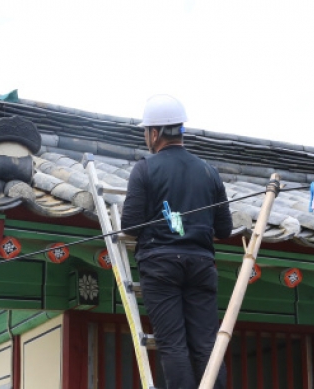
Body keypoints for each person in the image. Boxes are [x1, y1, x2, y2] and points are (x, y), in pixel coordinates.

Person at [121, 94, 233, 389]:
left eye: (146, 132)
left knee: (172, 344)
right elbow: (225, 229)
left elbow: (130, 226)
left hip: (160, 265)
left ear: (154, 133)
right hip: (201, 265)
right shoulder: (210, 172)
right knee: (207, 344)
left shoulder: (145, 169)